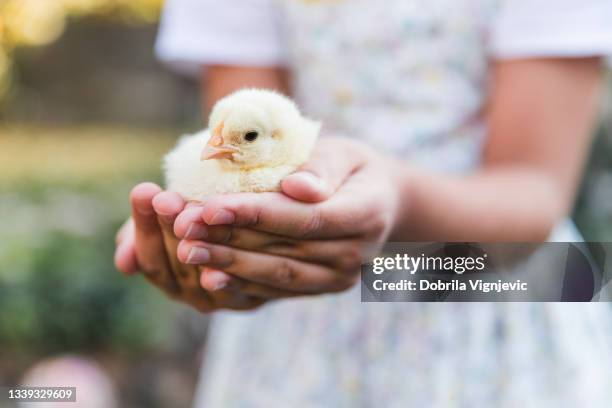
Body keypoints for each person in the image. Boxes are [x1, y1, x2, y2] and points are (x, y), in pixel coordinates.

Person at [115, 0, 612, 406]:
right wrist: (231, 250)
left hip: (493, 290)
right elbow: (242, 136)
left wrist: (397, 196)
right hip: (301, 312)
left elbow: (535, 189)